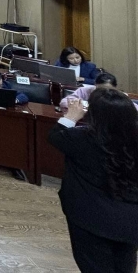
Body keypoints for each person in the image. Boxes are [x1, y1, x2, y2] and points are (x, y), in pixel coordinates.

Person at [49, 89, 138, 272]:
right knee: (125, 267)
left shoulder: (81, 138)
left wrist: (71, 116)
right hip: (130, 221)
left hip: (90, 218)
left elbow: (56, 136)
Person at [59, 71, 138, 111]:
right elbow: (64, 102)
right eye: (100, 89)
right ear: (95, 85)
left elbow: (135, 109)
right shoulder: (85, 91)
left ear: (115, 87)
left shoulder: (120, 95)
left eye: (108, 89)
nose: (104, 92)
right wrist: (85, 105)